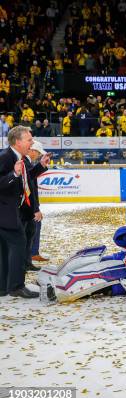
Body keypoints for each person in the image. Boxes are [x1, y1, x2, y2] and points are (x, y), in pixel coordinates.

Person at [0, 126, 47, 298]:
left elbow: (26, 179)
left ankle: (4, 287)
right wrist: (14, 173)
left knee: (5, 250)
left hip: (13, 213)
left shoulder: (18, 157)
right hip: (6, 213)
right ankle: (16, 287)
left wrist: (41, 166)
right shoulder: (6, 157)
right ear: (18, 142)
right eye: (29, 140)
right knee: (19, 245)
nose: (32, 143)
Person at [22, 141, 49, 271]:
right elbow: (29, 187)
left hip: (29, 205)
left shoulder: (28, 163)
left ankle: (27, 261)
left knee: (30, 232)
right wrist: (35, 208)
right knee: (28, 234)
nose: (38, 155)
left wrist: (41, 165)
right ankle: (26, 261)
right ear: (32, 151)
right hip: (28, 207)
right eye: (38, 153)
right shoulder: (24, 162)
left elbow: (30, 180)